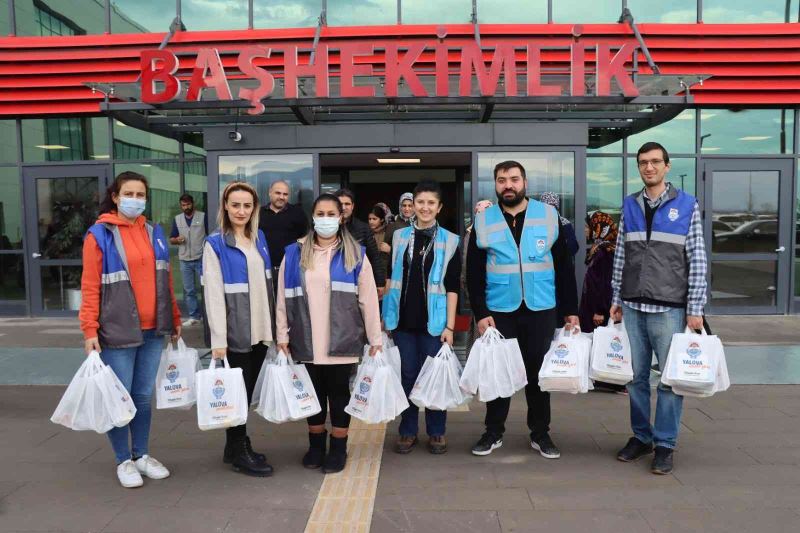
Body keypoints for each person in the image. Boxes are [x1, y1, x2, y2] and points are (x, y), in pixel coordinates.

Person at [466, 161, 578, 459]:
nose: (508, 185)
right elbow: (473, 272)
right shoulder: (483, 220)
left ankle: (541, 433)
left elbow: (565, 267)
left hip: (541, 306)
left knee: (538, 375)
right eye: (502, 180)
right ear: (496, 184)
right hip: (499, 309)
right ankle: (493, 432)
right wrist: (480, 312)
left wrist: (571, 310)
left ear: (524, 182)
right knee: (497, 373)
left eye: (514, 179)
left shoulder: (548, 215)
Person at [80, 171, 182, 489]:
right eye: (129, 193)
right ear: (115, 195)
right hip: (117, 329)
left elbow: (165, 281)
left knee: (142, 397)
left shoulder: (154, 231)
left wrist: (175, 318)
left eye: (140, 195)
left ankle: (142, 455)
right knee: (119, 398)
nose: (135, 200)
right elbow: (90, 285)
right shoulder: (99, 234)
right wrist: (89, 330)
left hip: (153, 329)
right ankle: (123, 460)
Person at [610, 142, 707, 475]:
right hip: (633, 307)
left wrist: (695, 308)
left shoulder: (687, 205)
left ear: (667, 166)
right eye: (642, 163)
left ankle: (664, 443)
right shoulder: (630, 205)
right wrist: (615, 300)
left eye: (654, 162)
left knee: (668, 380)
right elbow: (621, 256)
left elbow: (697, 260)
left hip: (669, 309)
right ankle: (641, 437)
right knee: (636, 379)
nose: (648, 168)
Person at [276, 193, 382, 474]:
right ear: (312, 218)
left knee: (338, 396)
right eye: (320, 214)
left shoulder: (356, 254)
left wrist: (376, 339)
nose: (325, 219)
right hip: (305, 339)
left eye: (330, 214)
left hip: (342, 339)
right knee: (311, 396)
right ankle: (314, 446)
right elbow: (282, 298)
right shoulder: (294, 252)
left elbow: (368, 299)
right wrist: (282, 337)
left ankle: (338, 447)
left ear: (341, 217)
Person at [383, 181, 461, 455]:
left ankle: (437, 431)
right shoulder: (399, 236)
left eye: (431, 203)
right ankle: (407, 430)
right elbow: (392, 278)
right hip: (402, 320)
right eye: (420, 202)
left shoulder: (451, 240)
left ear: (439, 207)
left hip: (435, 323)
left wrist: (450, 326)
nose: (425, 207)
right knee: (407, 376)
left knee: (434, 376)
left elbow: (452, 287)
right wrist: (386, 316)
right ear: (412, 205)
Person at [203, 181, 276, 477]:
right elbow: (213, 296)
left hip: (260, 330)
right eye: (235, 205)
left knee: (244, 393)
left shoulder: (259, 238)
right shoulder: (215, 243)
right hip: (235, 333)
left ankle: (235, 445)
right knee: (238, 394)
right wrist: (219, 339)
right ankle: (239, 451)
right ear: (225, 207)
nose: (241, 211)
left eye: (247, 205)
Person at [578, 211, 625, 394]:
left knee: (602, 343)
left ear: (598, 228)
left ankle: (610, 380)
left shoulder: (605, 252)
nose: (585, 229)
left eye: (588, 226)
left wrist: (599, 310)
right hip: (593, 306)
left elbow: (605, 284)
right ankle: (602, 378)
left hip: (597, 310)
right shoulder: (601, 248)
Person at [335, 188, 386, 292]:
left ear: (352, 206)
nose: (343, 207)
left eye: (347, 204)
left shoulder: (363, 228)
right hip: (333, 280)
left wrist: (380, 282)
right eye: (340, 204)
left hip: (358, 281)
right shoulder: (327, 228)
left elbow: (374, 257)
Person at [258, 180, 309, 281]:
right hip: (264, 270)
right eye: (278, 193)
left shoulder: (297, 213)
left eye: (285, 194)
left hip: (291, 269)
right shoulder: (258, 213)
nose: (281, 197)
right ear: (270, 192)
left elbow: (306, 238)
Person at [169, 194, 207, 327]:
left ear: (193, 203)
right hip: (184, 259)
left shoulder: (202, 217)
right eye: (183, 205)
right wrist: (177, 240)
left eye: (188, 204)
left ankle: (207, 316)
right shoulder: (177, 219)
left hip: (201, 257)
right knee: (189, 290)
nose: (186, 207)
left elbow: (210, 235)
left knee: (206, 288)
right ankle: (193, 316)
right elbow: (172, 239)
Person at [540, 192, 579, 257]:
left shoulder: (536, 223)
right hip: (562, 264)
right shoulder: (565, 222)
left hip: (544, 264)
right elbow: (573, 248)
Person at [368, 204, 390, 291]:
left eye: (374, 219)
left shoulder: (388, 233)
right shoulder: (366, 233)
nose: (371, 221)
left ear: (381, 219)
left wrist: (389, 250)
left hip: (383, 275)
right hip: (369, 273)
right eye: (369, 219)